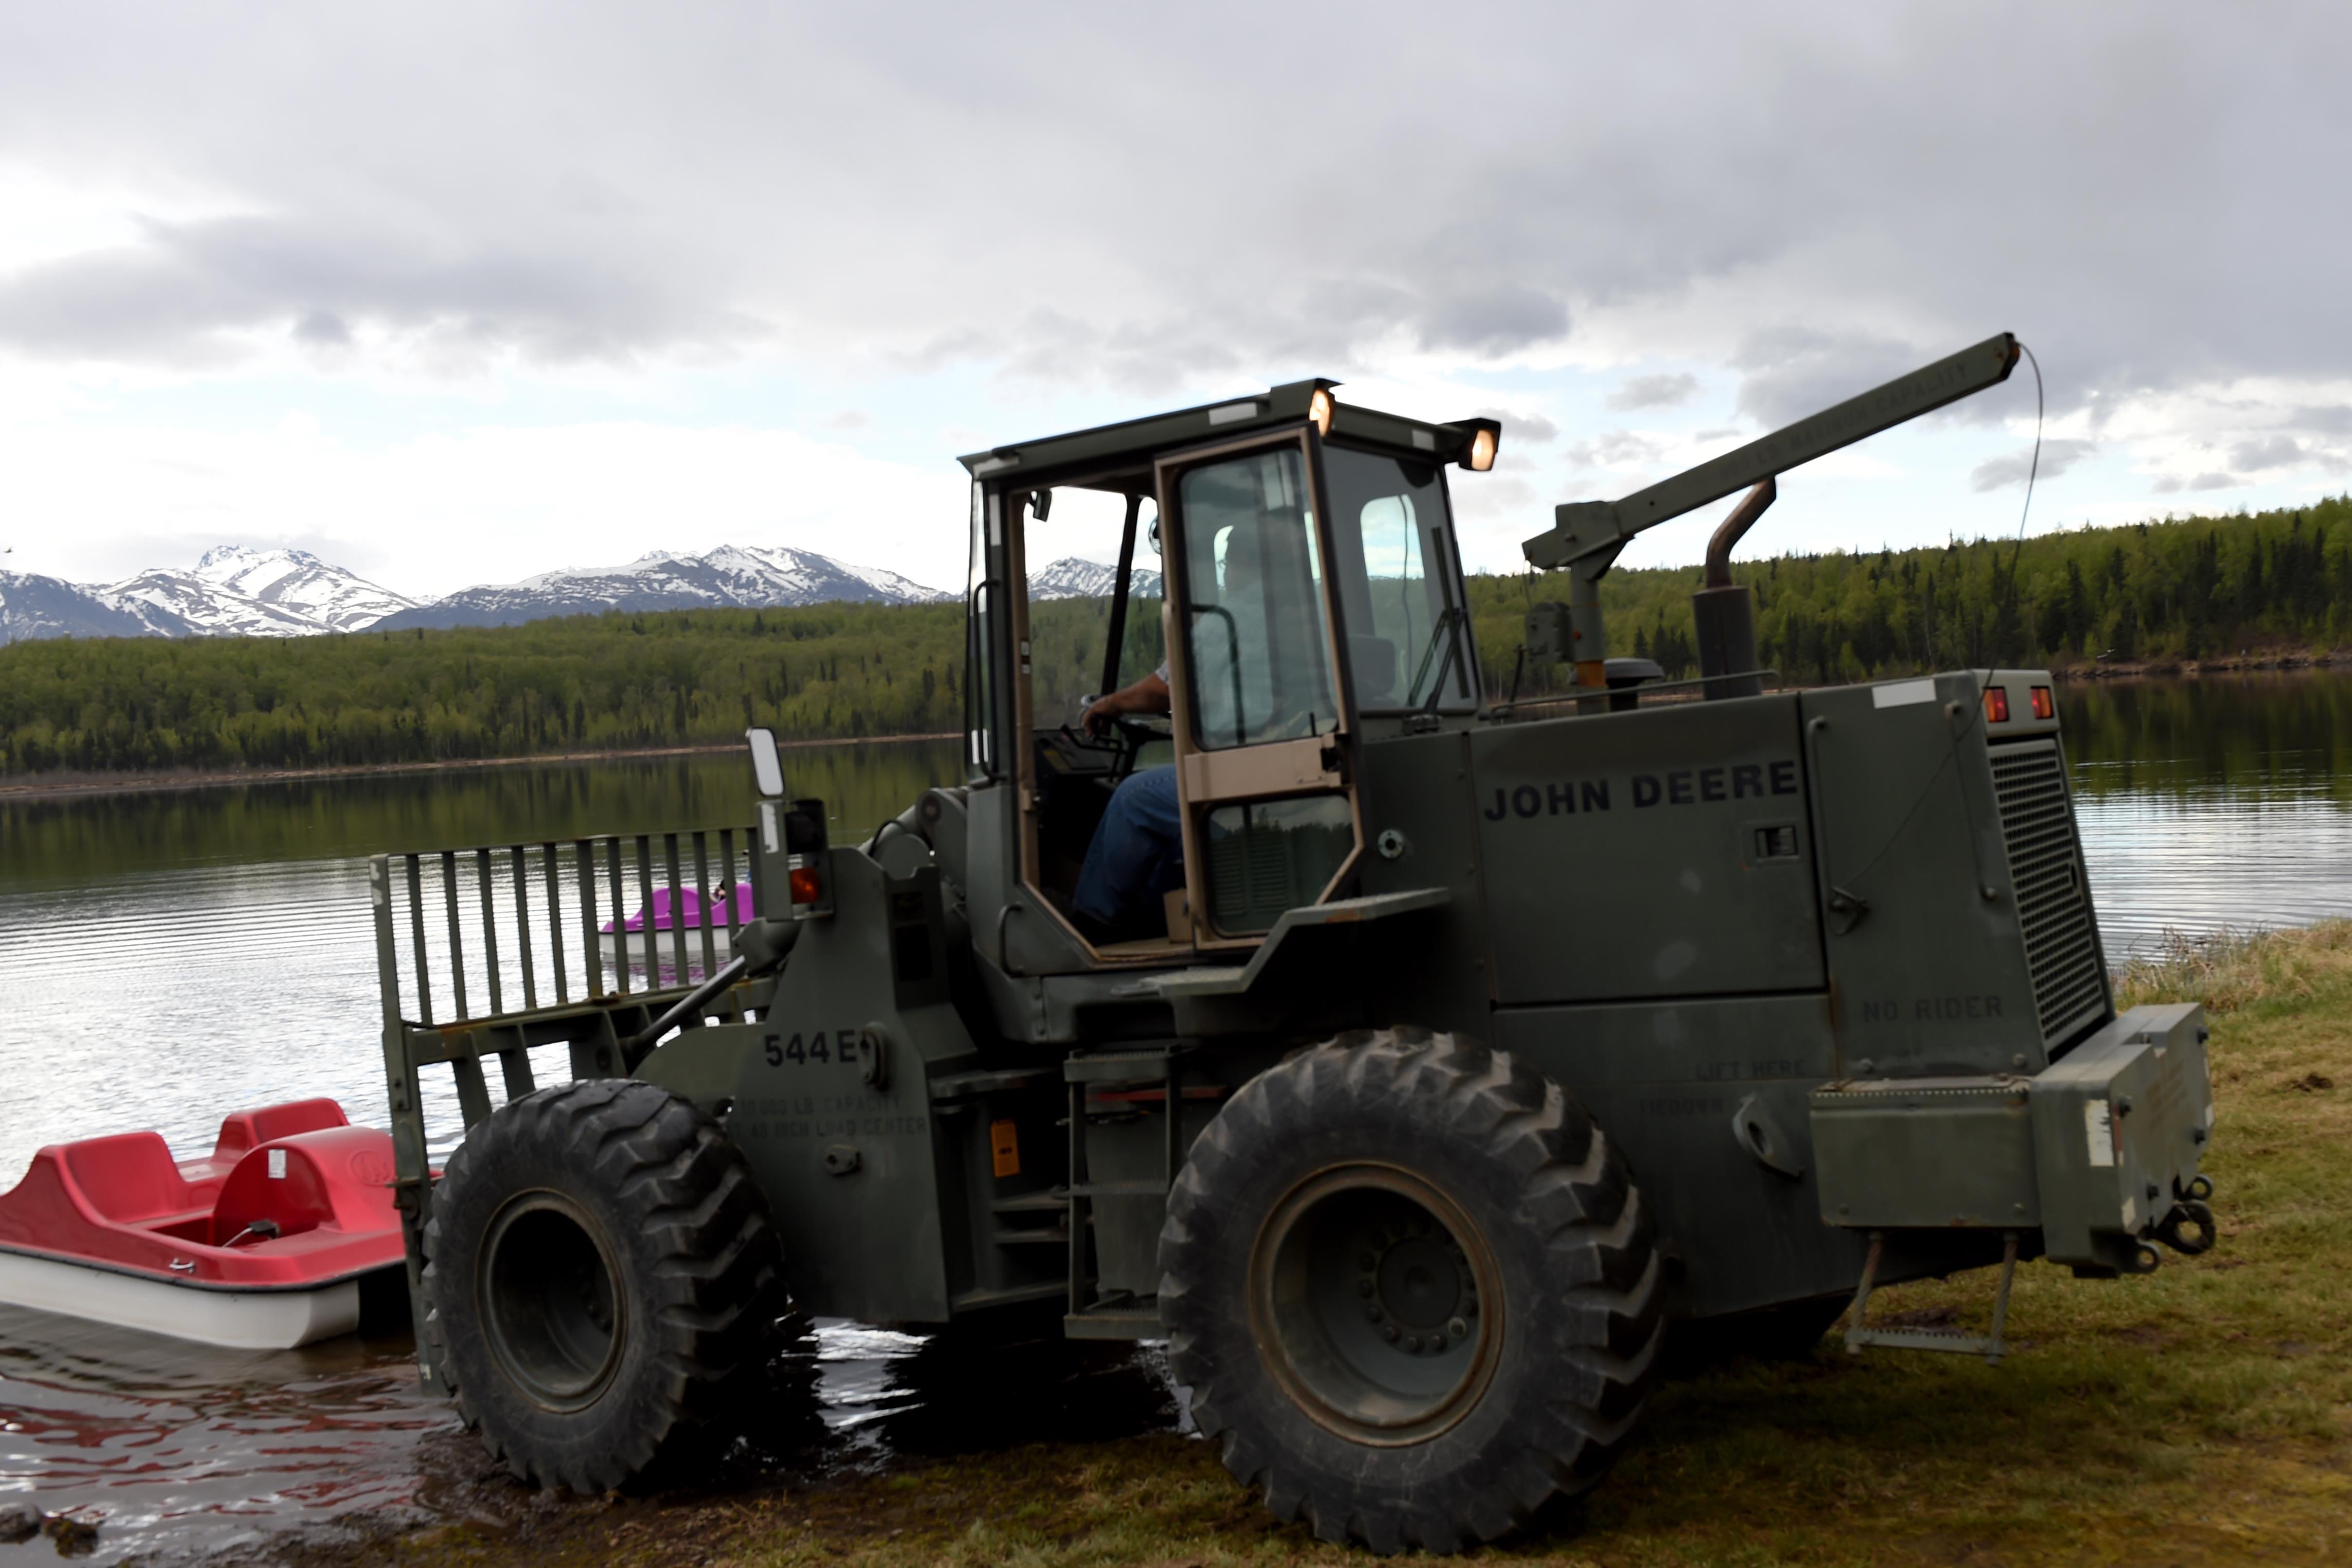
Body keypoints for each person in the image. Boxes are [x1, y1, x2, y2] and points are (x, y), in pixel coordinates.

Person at [1069, 664, 1180, 943]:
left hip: (1237, 763)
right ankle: (1154, 922)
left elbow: (1164, 689)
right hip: (1239, 758)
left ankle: (1090, 930)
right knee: (1163, 837)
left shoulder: (1208, 637)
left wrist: (1111, 704)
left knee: (1134, 797)